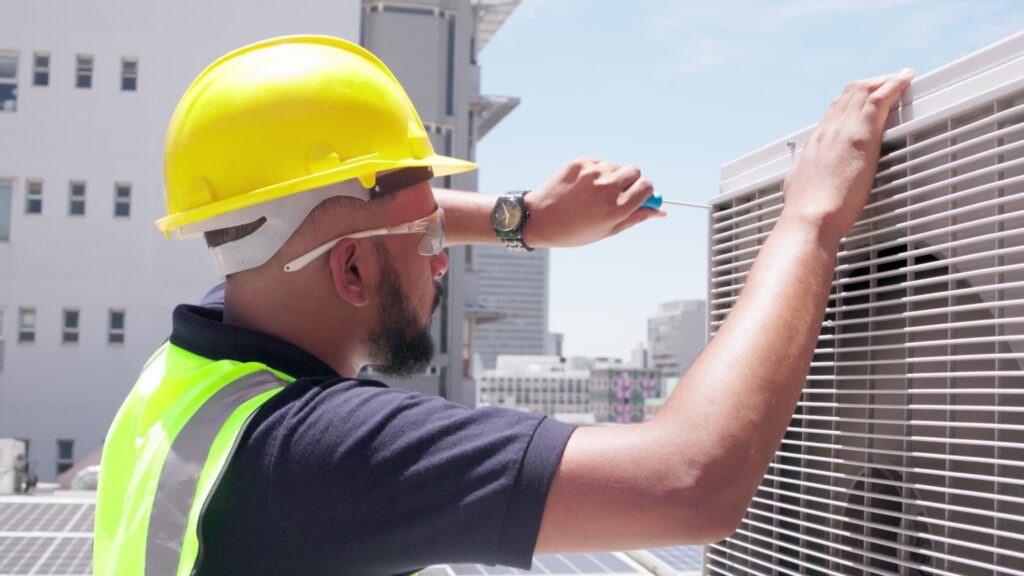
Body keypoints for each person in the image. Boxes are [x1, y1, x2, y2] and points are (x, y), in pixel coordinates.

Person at [93, 35, 913, 575]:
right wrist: (810, 218)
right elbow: (689, 484)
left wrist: (526, 220)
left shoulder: (194, 367)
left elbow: (331, 222)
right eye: (428, 242)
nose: (443, 259)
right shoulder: (326, 455)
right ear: (348, 272)